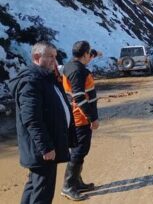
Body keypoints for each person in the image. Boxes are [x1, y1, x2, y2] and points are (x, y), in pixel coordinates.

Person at [8, 41, 76, 204]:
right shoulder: (32, 81)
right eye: (50, 57)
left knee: (34, 186)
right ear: (37, 57)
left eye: (55, 56)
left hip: (44, 147)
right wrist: (46, 146)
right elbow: (31, 118)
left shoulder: (46, 77)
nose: (55, 60)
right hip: (42, 149)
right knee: (42, 193)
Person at [61, 41, 100, 201]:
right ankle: (68, 186)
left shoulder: (70, 65)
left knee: (80, 151)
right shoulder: (78, 71)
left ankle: (77, 182)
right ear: (84, 55)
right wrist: (92, 118)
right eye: (89, 53)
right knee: (79, 151)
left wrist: (97, 54)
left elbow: (90, 55)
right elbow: (79, 98)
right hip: (80, 118)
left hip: (77, 116)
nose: (91, 56)